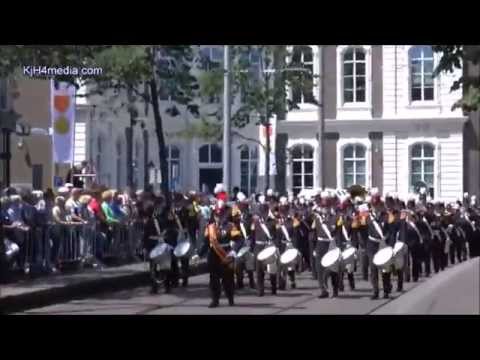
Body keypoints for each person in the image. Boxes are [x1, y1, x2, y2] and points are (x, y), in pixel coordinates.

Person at [192, 200, 236, 308]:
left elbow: (239, 240)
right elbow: (206, 243)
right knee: (213, 279)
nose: (219, 217)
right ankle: (215, 300)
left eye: (221, 214)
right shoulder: (210, 227)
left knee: (228, 279)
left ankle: (230, 297)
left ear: (225, 214)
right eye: (216, 215)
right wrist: (199, 254)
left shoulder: (231, 226)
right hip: (213, 255)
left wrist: (234, 250)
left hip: (227, 253)